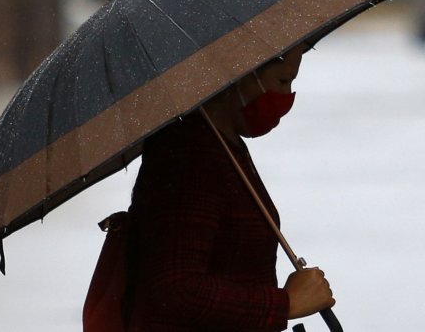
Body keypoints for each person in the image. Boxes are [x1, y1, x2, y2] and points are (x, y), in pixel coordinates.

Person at [124, 44, 335, 331]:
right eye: (282, 81)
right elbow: (175, 289)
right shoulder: (189, 154)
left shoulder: (222, 144)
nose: (286, 97)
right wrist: (285, 303)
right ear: (236, 73)